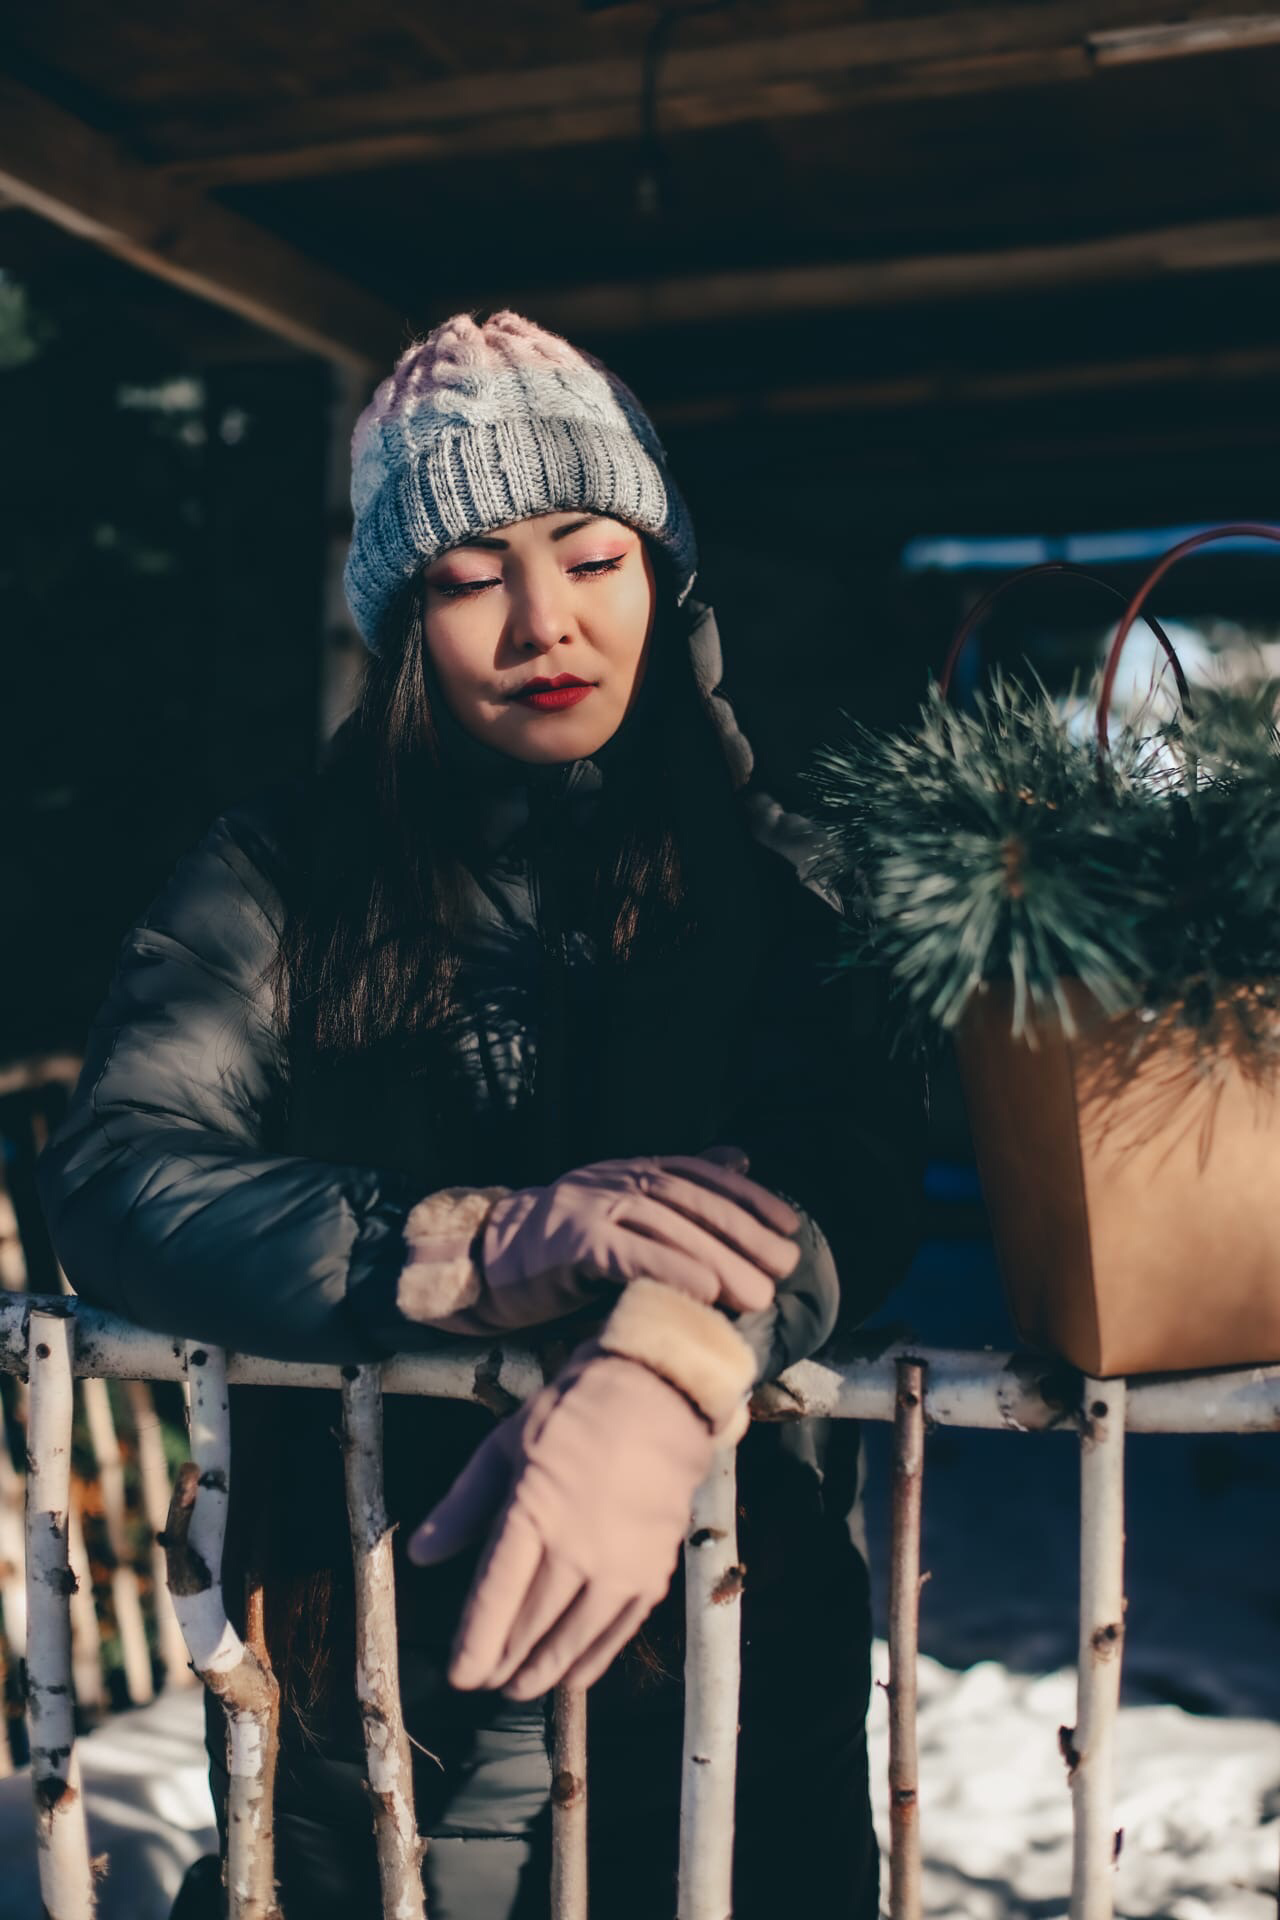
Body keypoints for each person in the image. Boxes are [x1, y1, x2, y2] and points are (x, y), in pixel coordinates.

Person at [36, 309, 928, 1919]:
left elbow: (848, 1157)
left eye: (592, 554)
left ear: (665, 572)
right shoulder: (279, 874)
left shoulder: (786, 877)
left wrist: (666, 1362)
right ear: (398, 620)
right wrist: (465, 1244)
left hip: (743, 1676)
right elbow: (116, 1174)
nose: (544, 623)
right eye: (467, 579)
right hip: (359, 1702)